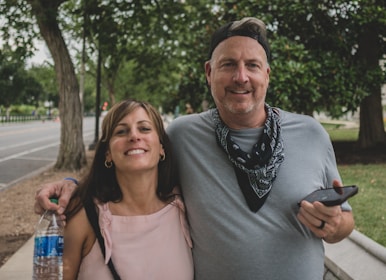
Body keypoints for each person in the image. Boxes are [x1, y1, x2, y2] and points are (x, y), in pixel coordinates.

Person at [35, 17, 354, 279]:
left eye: (252, 66)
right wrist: (72, 186)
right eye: (228, 64)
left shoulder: (311, 133)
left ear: (267, 75)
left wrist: (337, 225)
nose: (240, 76)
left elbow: (345, 222)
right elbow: (132, 169)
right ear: (209, 72)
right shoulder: (182, 135)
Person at [61, 99, 193, 279]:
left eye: (144, 129)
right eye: (121, 131)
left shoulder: (185, 206)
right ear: (107, 153)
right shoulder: (84, 216)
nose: (134, 136)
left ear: (162, 147)